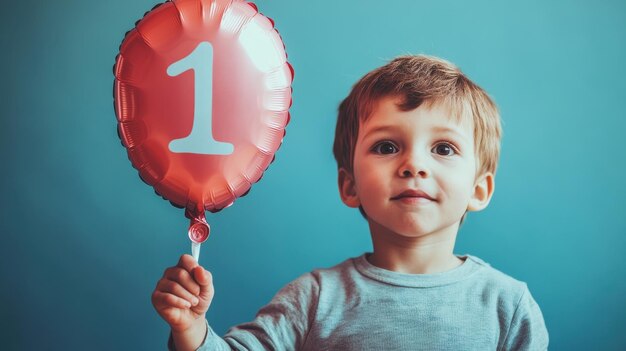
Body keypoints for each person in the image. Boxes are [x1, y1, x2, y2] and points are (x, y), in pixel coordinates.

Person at [152, 55, 549, 350]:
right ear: (350, 185)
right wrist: (191, 329)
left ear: (479, 189)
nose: (414, 164)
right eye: (387, 146)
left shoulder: (508, 307)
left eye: (443, 148)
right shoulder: (313, 299)